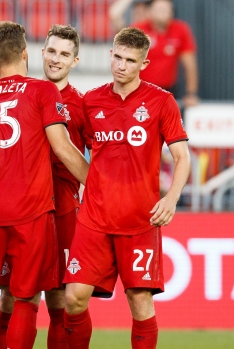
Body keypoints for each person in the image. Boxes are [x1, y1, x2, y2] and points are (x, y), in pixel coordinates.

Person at [63, 27, 191, 349]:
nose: (121, 65)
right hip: (94, 218)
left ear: (144, 64)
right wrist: (90, 184)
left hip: (138, 219)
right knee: (74, 298)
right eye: (117, 57)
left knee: (139, 301)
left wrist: (172, 198)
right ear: (111, 55)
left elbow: (182, 157)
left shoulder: (162, 102)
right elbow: (70, 148)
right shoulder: (91, 101)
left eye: (130, 60)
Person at [0, 21, 90, 349]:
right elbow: (64, 148)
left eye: (64, 53)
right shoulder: (42, 91)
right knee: (23, 298)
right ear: (30, 52)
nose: (56, 58)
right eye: (51, 51)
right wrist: (101, 188)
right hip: (32, 209)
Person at [132, 0, 199, 107]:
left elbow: (190, 65)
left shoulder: (180, 29)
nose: (164, 12)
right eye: (160, 9)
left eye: (167, 9)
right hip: (141, 90)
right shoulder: (138, 30)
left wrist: (191, 94)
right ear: (149, 12)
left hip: (169, 90)